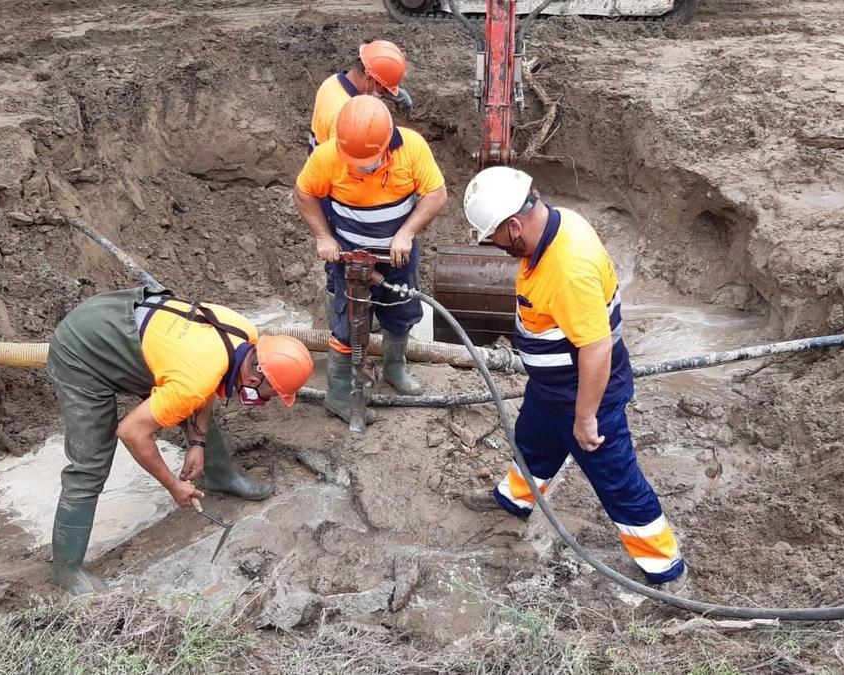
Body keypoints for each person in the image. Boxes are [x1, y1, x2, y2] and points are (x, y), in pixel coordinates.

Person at [459, 167, 686, 590]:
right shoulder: (554, 225)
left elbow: (596, 347)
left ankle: (665, 568)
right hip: (551, 388)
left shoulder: (568, 269)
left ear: (514, 224)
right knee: (532, 442)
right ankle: (515, 500)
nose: (496, 246)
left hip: (585, 394)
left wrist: (585, 417)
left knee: (616, 478)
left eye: (495, 238)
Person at [45, 286, 314, 594]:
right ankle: (66, 569)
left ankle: (221, 476)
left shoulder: (244, 334)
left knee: (192, 404)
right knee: (90, 463)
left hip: (127, 326)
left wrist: (197, 444)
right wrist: (173, 485)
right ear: (255, 379)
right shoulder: (195, 380)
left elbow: (209, 382)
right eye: (272, 394)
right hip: (84, 349)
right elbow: (132, 432)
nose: (269, 400)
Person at [293, 94, 447, 422]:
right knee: (347, 323)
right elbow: (304, 192)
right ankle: (338, 395)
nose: (361, 166)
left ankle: (394, 368)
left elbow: (436, 193)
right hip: (348, 259)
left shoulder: (412, 148)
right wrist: (324, 237)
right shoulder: (328, 155)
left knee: (402, 313)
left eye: (367, 159)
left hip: (397, 257)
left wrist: (406, 233)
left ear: (385, 145)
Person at [308, 39, 413, 327]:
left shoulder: (335, 82)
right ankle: (342, 318)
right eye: (382, 88)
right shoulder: (341, 113)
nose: (384, 95)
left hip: (330, 170)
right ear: (368, 79)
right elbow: (350, 167)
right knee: (341, 258)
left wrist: (391, 94)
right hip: (335, 188)